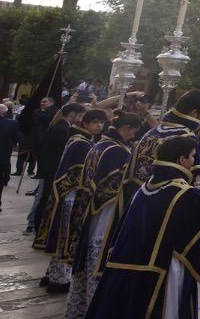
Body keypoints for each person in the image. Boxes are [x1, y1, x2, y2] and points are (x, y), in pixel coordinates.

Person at [87, 135, 200, 319]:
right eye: (193, 157)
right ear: (181, 160)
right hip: (165, 271)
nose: (194, 161)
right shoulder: (187, 194)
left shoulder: (142, 190)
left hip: (127, 269)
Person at [64, 112, 143, 319]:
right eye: (134, 131)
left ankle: (78, 311)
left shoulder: (99, 145)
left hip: (89, 211)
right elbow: (122, 185)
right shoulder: (117, 151)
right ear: (125, 129)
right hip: (106, 214)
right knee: (97, 266)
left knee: (86, 263)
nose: (134, 135)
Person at [36, 108, 107, 293]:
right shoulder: (81, 144)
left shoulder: (82, 140)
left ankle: (53, 273)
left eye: (101, 122)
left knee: (63, 237)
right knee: (65, 238)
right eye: (95, 122)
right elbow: (77, 172)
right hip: (71, 196)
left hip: (70, 194)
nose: (99, 126)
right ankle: (59, 280)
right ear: (85, 123)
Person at [120, 89, 200, 209]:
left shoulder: (152, 132)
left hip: (136, 200)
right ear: (194, 113)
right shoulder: (188, 139)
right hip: (166, 205)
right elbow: (198, 183)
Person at [30, 102, 86, 236]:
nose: (80, 119)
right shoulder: (62, 129)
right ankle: (39, 227)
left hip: (50, 168)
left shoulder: (63, 127)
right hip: (51, 169)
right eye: (79, 115)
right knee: (45, 198)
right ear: (72, 114)